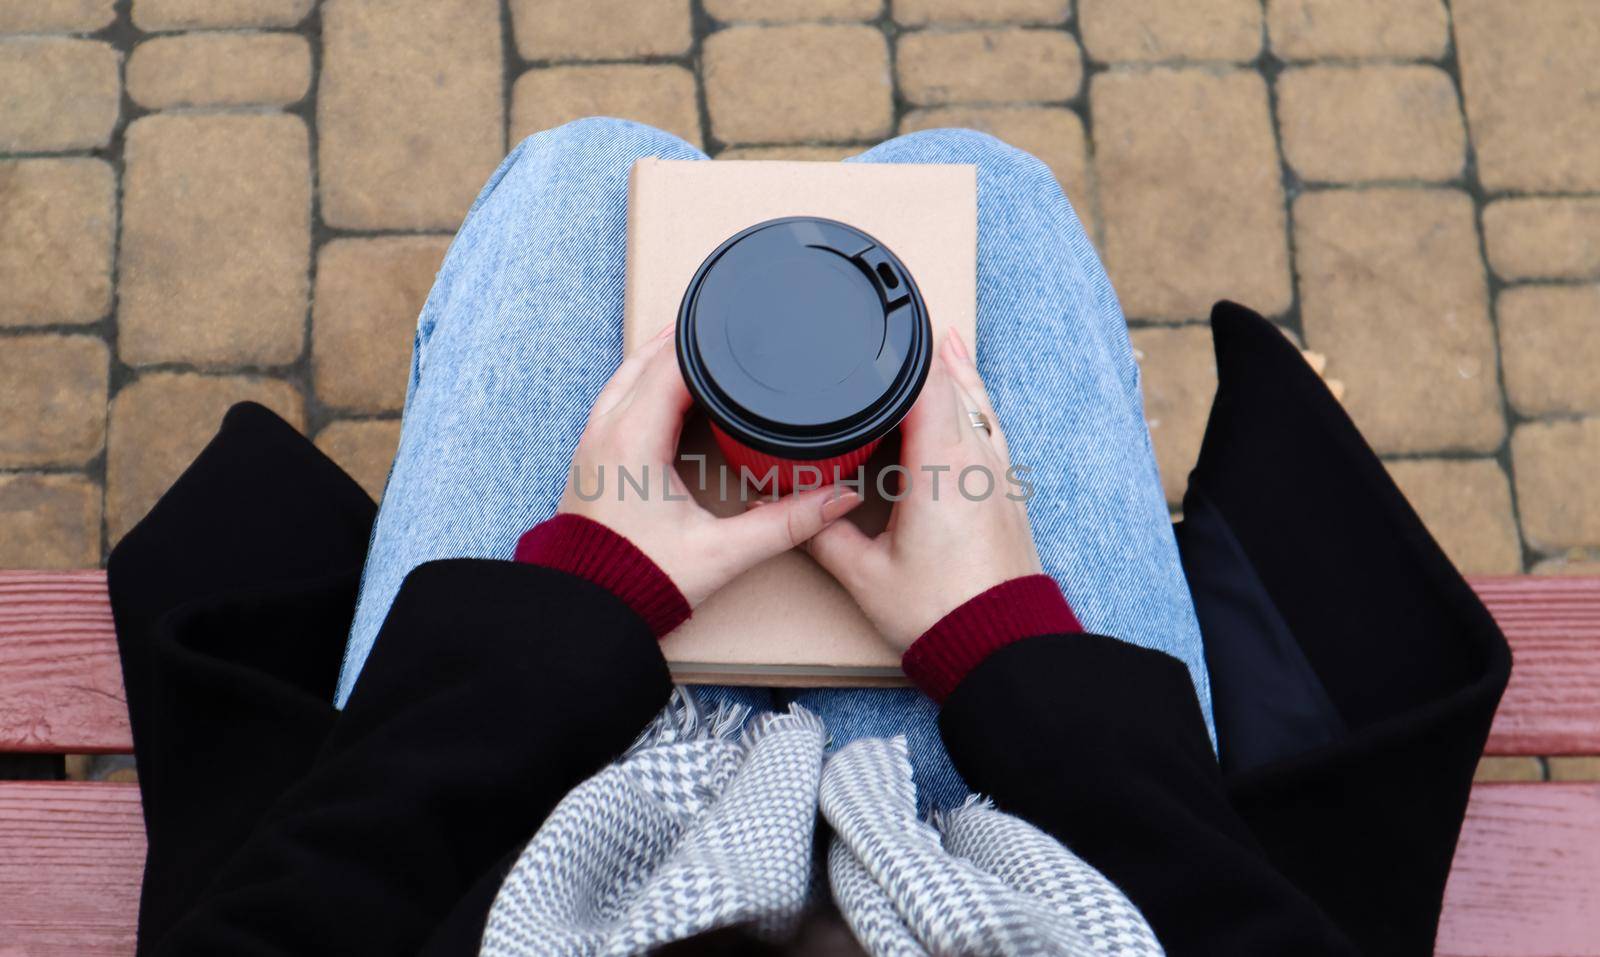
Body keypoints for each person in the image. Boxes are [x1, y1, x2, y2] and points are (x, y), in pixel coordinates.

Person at [107, 119, 1509, 956]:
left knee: (592, 180)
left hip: (532, 883)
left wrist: (576, 600)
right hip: (1017, 880)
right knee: (979, 188)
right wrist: (1007, 645)